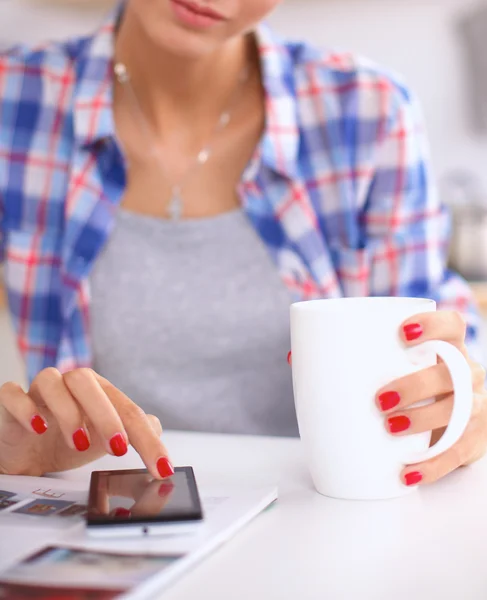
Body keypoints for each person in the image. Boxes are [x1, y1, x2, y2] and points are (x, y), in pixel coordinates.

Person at [0, 0, 486, 487]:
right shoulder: (15, 98)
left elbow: (442, 335)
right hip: (98, 516)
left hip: (319, 507)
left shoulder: (369, 108)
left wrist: (464, 396)